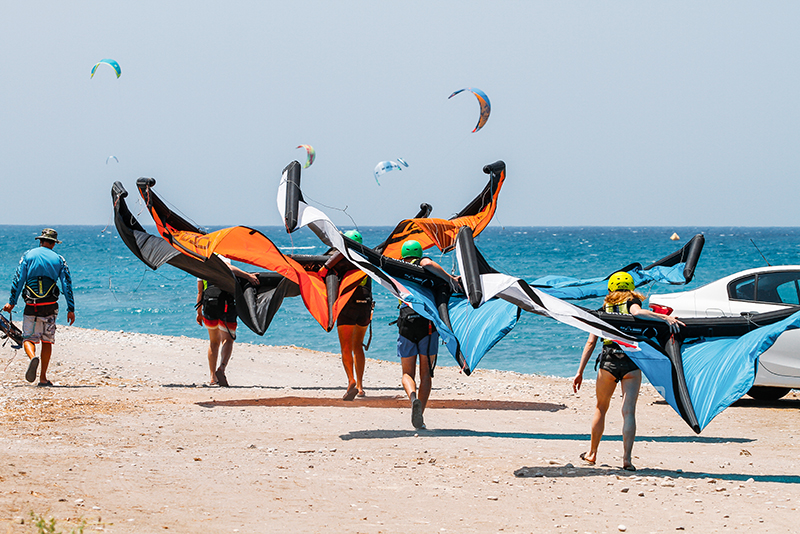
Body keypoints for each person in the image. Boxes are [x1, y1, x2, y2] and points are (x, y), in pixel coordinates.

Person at [572, 271, 684, 471]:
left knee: (600, 408)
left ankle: (592, 453)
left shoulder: (603, 309)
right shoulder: (632, 301)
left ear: (610, 289)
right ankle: (627, 459)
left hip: (608, 362)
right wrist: (664, 318)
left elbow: (591, 342)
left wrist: (579, 371)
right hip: (631, 362)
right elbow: (637, 313)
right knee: (629, 411)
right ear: (630, 287)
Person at [396, 239, 458, 429]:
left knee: (407, 373)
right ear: (419, 253)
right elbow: (428, 263)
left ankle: (412, 397)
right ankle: (419, 414)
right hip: (427, 326)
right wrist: (451, 279)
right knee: (426, 375)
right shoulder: (423, 266)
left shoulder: (396, 269)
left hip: (406, 323)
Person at [3, 228, 75, 386]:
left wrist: (11, 302)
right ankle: (43, 378)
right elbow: (66, 284)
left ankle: (32, 357)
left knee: (28, 338)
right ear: (54, 244)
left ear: (41, 241)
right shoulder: (59, 259)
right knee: (47, 341)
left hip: (31, 305)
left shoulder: (28, 256)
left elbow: (18, 279)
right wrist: (71, 309)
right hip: (50, 307)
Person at [320, 230, 373, 400]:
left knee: (346, 347)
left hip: (347, 304)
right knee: (358, 345)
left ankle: (351, 380)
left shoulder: (341, 258)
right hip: (365, 305)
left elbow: (324, 270)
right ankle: (360, 386)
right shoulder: (367, 258)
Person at [196, 257, 259, 387]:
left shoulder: (201, 263)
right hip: (226, 306)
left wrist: (199, 313)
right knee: (228, 340)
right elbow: (229, 268)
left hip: (210, 306)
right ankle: (222, 368)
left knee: (214, 342)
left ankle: (213, 377)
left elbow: (200, 292)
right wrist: (248, 276)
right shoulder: (223, 256)